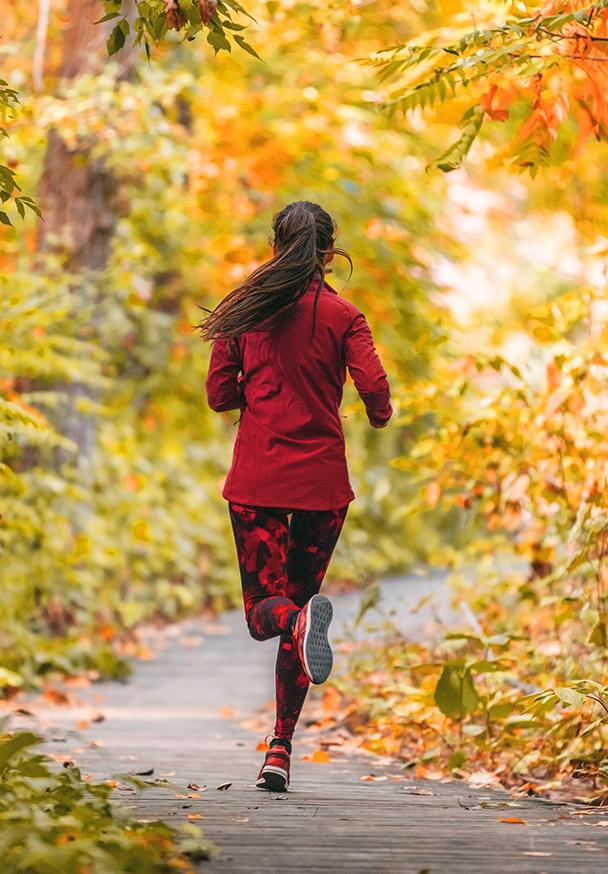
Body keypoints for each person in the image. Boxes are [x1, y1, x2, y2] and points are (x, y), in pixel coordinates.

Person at [199, 200, 392, 792]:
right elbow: (376, 390)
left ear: (275, 243)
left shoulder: (245, 312)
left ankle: (297, 618)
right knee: (301, 612)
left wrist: (255, 395)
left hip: (258, 480)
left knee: (267, 614)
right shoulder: (344, 315)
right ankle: (279, 748)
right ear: (329, 250)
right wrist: (375, 414)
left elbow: (217, 395)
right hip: (321, 485)